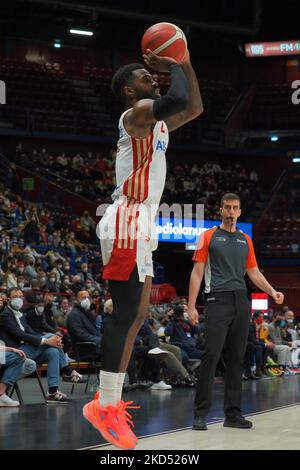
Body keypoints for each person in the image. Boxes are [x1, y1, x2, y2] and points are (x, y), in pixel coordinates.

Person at [83, 48, 203, 449]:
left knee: (136, 315)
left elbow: (194, 107)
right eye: (142, 76)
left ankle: (109, 404)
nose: (149, 77)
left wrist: (184, 60)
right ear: (127, 91)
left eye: (150, 73)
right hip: (127, 219)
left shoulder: (159, 122)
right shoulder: (134, 116)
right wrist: (171, 63)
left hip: (143, 224)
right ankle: (105, 405)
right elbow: (177, 99)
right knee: (126, 315)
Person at [188, 193, 284, 431]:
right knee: (211, 355)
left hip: (241, 301)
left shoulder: (246, 240)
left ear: (240, 212)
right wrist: (191, 306)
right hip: (217, 300)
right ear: (220, 210)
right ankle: (200, 414)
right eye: (227, 208)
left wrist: (272, 291)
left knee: (236, 359)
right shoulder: (207, 236)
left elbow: (253, 273)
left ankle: (232, 414)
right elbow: (197, 273)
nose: (231, 212)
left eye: (235, 208)